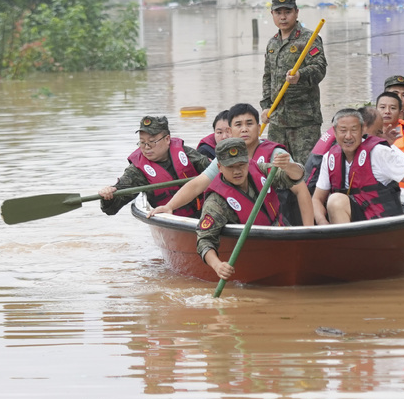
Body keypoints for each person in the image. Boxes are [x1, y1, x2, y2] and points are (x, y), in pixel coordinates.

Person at [146, 103, 305, 219]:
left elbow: (300, 188)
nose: (244, 129)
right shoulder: (225, 157)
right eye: (238, 125)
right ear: (231, 130)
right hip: (240, 219)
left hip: (275, 218)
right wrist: (169, 206)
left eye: (249, 124)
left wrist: (309, 230)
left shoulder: (276, 153)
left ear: (258, 127)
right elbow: (197, 185)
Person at [197, 137, 314, 280]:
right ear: (220, 167)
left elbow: (295, 177)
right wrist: (217, 266)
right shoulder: (215, 202)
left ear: (247, 160)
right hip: (253, 251)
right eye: (231, 167)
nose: (237, 171)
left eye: (241, 164)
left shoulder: (261, 169)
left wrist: (289, 166)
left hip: (282, 238)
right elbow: (205, 240)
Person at [312, 108, 404, 225]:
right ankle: (345, 249)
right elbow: (317, 198)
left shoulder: (379, 152)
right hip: (352, 222)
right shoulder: (329, 158)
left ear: (362, 131)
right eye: (343, 130)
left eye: (354, 130)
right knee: (335, 200)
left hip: (382, 221)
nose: (348, 136)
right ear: (335, 133)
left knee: (336, 199)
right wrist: (323, 224)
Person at [260, 0, 327, 165]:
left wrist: (300, 75)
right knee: (277, 170)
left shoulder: (309, 39)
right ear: (272, 14)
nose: (283, 17)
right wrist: (266, 107)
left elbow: (319, 68)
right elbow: (268, 76)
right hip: (277, 120)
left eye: (287, 12)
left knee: (306, 169)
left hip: (304, 122)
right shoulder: (272, 43)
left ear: (296, 12)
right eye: (278, 12)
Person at [98, 115, 211, 217]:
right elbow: (111, 209)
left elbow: (213, 171)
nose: (146, 147)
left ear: (167, 139)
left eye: (151, 142)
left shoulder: (186, 154)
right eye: (142, 142)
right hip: (172, 219)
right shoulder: (136, 171)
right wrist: (108, 196)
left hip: (205, 213)